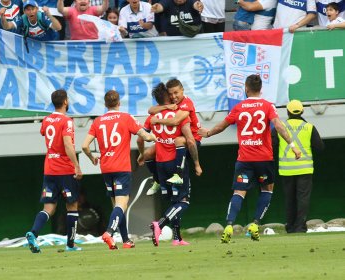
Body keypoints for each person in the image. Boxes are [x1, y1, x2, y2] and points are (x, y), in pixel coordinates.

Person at [198, 74, 301, 243]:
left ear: (246, 88)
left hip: (244, 160)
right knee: (267, 190)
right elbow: (280, 126)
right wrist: (293, 146)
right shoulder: (267, 106)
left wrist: (208, 133)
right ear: (260, 89)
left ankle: (229, 225)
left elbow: (222, 125)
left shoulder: (239, 107)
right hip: (264, 159)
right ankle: (255, 224)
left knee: (239, 192)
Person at [82, 90, 156, 250]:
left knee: (117, 206)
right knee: (121, 205)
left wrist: (92, 157)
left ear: (105, 104)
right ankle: (109, 232)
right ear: (119, 102)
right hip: (121, 167)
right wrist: (160, 139)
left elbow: (84, 146)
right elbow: (146, 136)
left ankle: (126, 241)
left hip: (106, 167)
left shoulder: (98, 121)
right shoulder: (126, 117)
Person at [138, 82, 202, 246]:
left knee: (174, 201)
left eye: (176, 93)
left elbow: (140, 137)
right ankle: (159, 225)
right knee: (184, 201)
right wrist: (196, 163)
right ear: (168, 97)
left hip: (160, 164)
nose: (174, 97)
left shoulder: (153, 116)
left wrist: (141, 154)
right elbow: (189, 139)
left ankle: (176, 237)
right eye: (171, 95)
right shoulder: (180, 113)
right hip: (175, 161)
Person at [25, 89, 83, 253]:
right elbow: (67, 144)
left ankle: (33, 233)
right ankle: (70, 245)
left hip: (49, 169)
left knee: (49, 208)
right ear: (65, 102)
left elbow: (44, 131)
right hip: (64, 169)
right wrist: (77, 166)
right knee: (72, 206)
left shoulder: (46, 120)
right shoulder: (67, 121)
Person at [272, 100, 324, 233]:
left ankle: (290, 227)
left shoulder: (280, 127)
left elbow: (272, 144)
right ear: (302, 111)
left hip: (286, 170)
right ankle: (300, 227)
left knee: (289, 199)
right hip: (305, 169)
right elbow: (320, 147)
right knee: (302, 199)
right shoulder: (309, 127)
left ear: (288, 112)